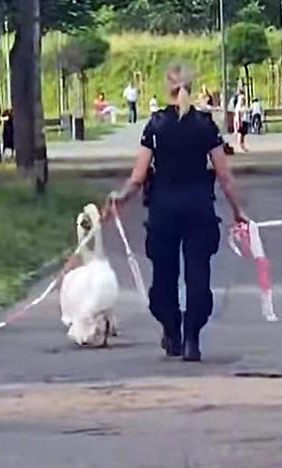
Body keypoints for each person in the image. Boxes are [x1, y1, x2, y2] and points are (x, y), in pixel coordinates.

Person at [104, 63, 246, 362]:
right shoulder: (206, 125)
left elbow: (139, 176)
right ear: (192, 88)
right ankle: (192, 336)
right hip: (199, 208)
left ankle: (172, 330)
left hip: (163, 210)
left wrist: (121, 197)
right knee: (198, 274)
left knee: (164, 277)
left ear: (167, 89)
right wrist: (238, 211)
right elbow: (224, 176)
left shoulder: (155, 125)